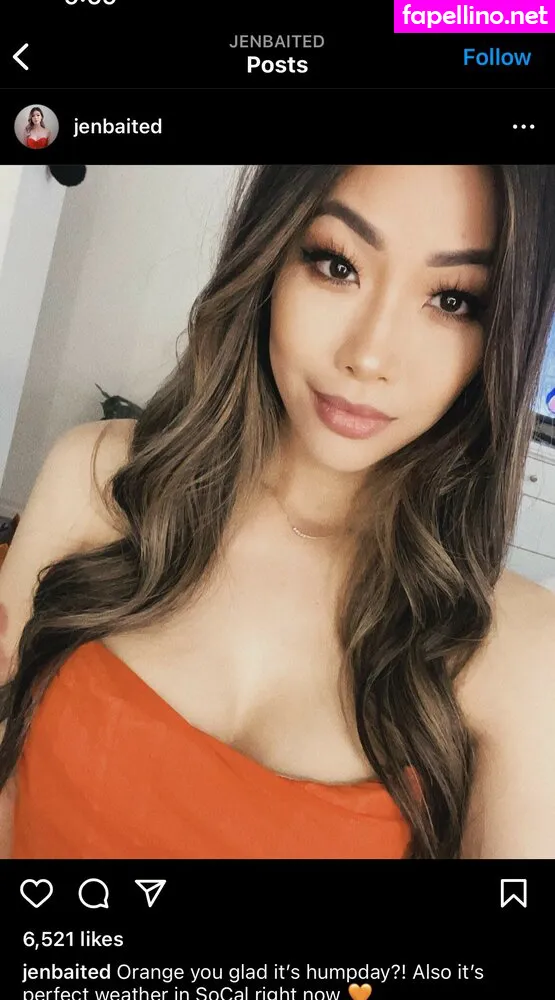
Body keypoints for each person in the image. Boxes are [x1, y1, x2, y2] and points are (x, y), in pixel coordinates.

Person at [1, 164, 555, 860]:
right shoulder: (96, 479)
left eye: (452, 299)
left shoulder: (518, 651)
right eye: (337, 265)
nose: (369, 356)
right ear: (268, 257)